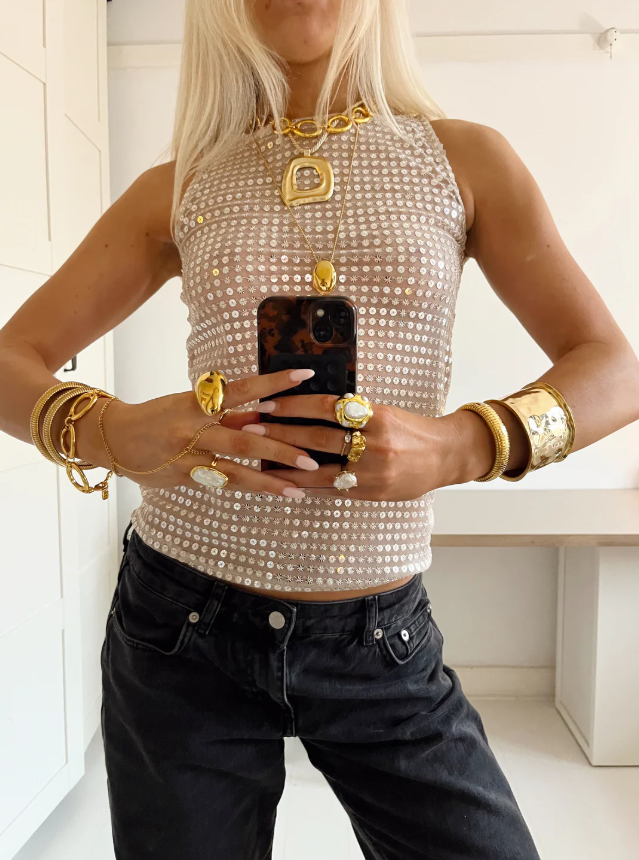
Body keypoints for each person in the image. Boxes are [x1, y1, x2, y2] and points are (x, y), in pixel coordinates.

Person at [1, 0, 638, 857]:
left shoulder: (464, 160)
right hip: (181, 624)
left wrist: (462, 444)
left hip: (378, 636)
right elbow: (12, 359)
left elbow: (613, 369)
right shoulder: (182, 183)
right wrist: (114, 432)